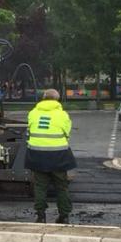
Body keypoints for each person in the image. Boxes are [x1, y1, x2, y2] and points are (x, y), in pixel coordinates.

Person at [26, 89, 77, 224]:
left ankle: (40, 216)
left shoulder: (33, 113)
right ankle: (64, 216)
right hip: (58, 156)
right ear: (57, 99)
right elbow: (67, 133)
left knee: (40, 186)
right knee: (62, 186)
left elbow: (30, 131)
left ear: (43, 98)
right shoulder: (62, 115)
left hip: (37, 155)